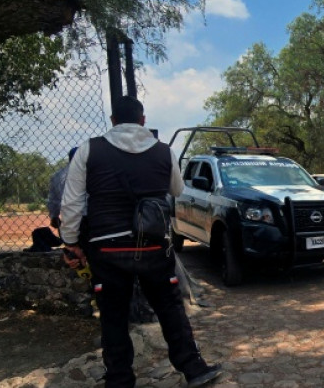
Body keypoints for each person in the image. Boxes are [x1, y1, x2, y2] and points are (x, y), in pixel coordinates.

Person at [60, 96, 221, 388]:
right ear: (143, 120)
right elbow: (177, 188)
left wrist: (71, 241)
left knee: (113, 316)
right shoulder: (163, 151)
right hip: (153, 245)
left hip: (106, 247)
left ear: (112, 121)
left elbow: (71, 203)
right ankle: (194, 368)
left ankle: (120, 380)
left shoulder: (89, 149)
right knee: (170, 308)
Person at [27, 148, 79, 252]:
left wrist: (54, 216)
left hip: (69, 219)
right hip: (90, 218)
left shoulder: (58, 175)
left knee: (74, 248)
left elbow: (53, 200)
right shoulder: (90, 173)